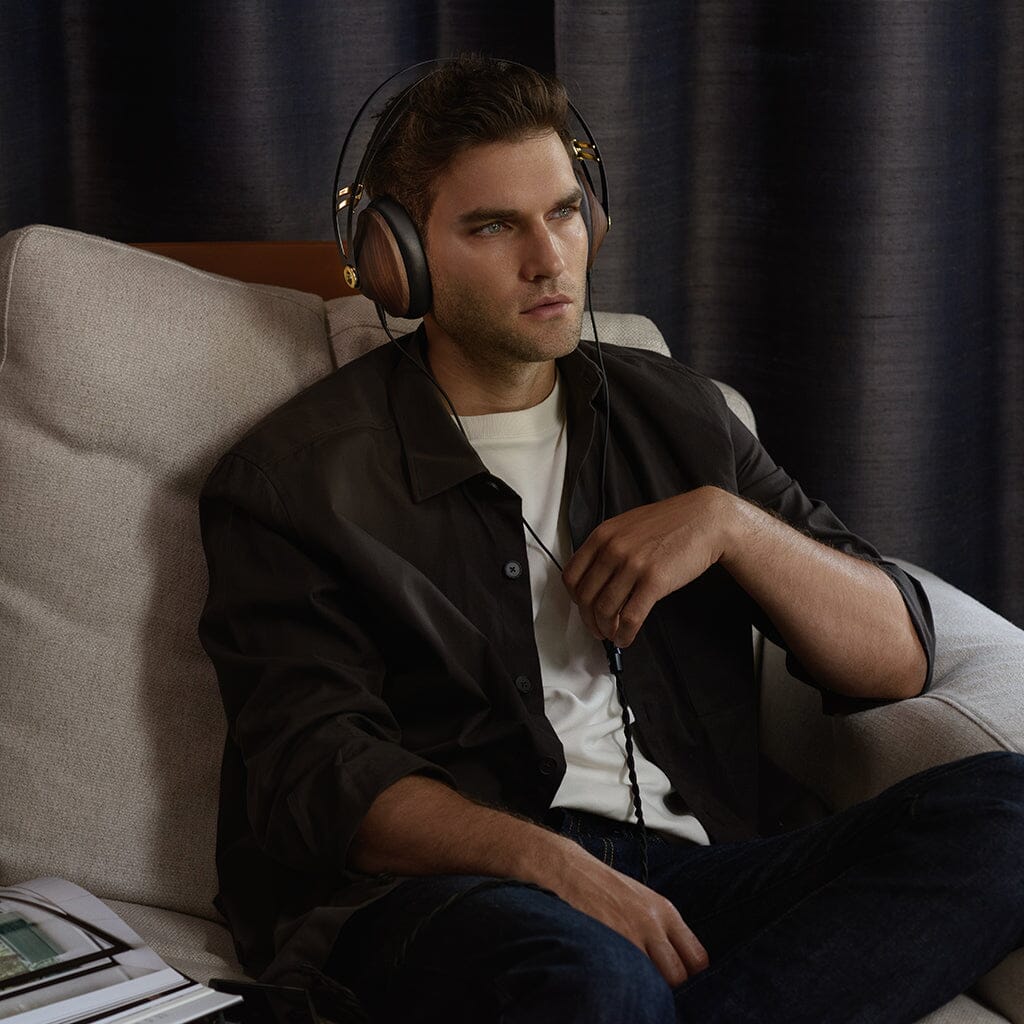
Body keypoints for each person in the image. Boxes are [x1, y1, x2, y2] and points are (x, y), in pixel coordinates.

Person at [198, 56, 1024, 1023]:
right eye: (493, 226)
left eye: (563, 212)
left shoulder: (681, 417)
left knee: (1012, 813)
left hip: (693, 873)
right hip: (449, 894)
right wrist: (552, 864)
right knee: (599, 980)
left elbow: (893, 663)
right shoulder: (293, 482)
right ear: (399, 261)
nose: (549, 258)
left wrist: (730, 524)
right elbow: (319, 776)